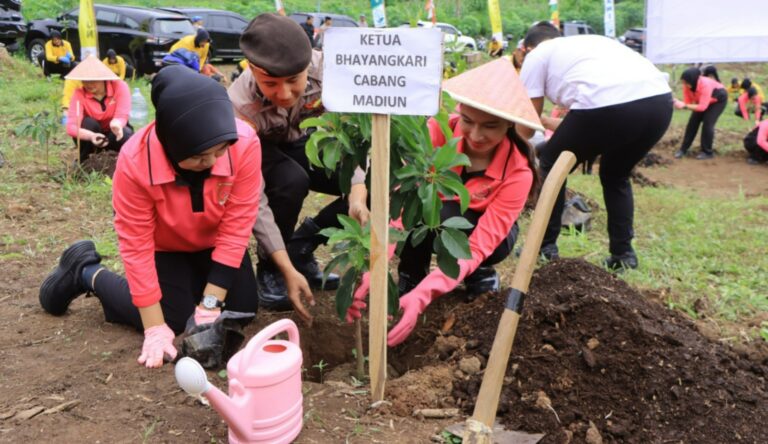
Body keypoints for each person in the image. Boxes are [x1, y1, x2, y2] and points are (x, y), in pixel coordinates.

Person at [38, 66, 279, 369]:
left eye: (219, 152)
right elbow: (137, 246)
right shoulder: (134, 161)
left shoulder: (242, 144)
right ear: (171, 142)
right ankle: (86, 272)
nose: (212, 162)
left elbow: (237, 226)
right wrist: (154, 327)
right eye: (199, 156)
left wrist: (209, 304)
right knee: (174, 320)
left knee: (241, 309)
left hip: (213, 242)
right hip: (165, 247)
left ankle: (195, 291)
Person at [346, 58, 539, 346]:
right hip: (436, 214)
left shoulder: (518, 171)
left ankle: (479, 273)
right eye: (467, 121)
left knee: (472, 233)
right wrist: (373, 265)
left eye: (490, 126)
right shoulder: (437, 130)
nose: (475, 135)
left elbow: (480, 244)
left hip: (481, 234)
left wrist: (425, 296)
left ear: (509, 125)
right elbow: (401, 208)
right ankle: (412, 273)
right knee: (422, 209)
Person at [228, 14, 369, 310]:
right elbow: (251, 194)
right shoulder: (239, 106)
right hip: (262, 150)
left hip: (304, 141)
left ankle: (303, 246)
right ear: (253, 70)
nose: (284, 94)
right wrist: (281, 264)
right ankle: (271, 267)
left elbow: (349, 136)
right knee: (291, 181)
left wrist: (357, 187)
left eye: (294, 81)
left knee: (377, 180)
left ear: (308, 65)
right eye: (270, 83)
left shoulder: (330, 71)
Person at [518, 22, 672, 270]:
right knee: (615, 175)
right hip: (659, 102)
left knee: (549, 163)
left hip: (606, 105)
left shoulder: (535, 55)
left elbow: (525, 123)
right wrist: (548, 127)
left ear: (526, 48)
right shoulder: (590, 44)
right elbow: (583, 126)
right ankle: (623, 255)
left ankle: (543, 247)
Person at [64, 55, 133, 163]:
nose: (88, 84)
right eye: (85, 80)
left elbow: (122, 115)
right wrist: (91, 136)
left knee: (125, 133)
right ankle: (85, 162)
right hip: (92, 136)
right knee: (88, 123)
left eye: (93, 80)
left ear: (103, 78)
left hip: (113, 132)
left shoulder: (120, 87)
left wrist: (117, 123)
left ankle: (119, 162)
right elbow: (71, 127)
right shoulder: (79, 94)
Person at [673, 67, 728, 160]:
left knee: (708, 123)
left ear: (693, 80)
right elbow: (688, 103)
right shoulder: (686, 85)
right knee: (692, 123)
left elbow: (702, 107)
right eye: (683, 82)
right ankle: (683, 149)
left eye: (686, 82)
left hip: (718, 99)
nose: (684, 84)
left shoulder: (705, 85)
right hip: (705, 101)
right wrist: (680, 105)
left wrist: (684, 105)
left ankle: (707, 152)